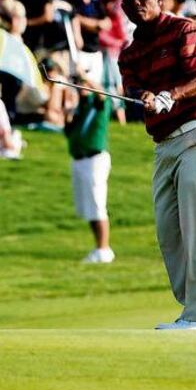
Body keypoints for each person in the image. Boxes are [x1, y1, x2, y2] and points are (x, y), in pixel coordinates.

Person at [116, 0, 196, 330]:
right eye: (128, 0)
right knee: (169, 234)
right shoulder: (129, 53)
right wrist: (144, 96)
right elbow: (132, 89)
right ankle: (192, 307)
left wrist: (170, 94)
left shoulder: (184, 29)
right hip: (164, 146)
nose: (136, 4)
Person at [64, 69, 115, 264]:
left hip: (95, 158)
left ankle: (103, 248)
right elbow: (70, 134)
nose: (81, 87)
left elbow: (102, 94)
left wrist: (86, 78)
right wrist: (68, 117)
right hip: (78, 158)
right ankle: (98, 247)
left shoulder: (98, 103)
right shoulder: (79, 107)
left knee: (96, 203)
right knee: (88, 207)